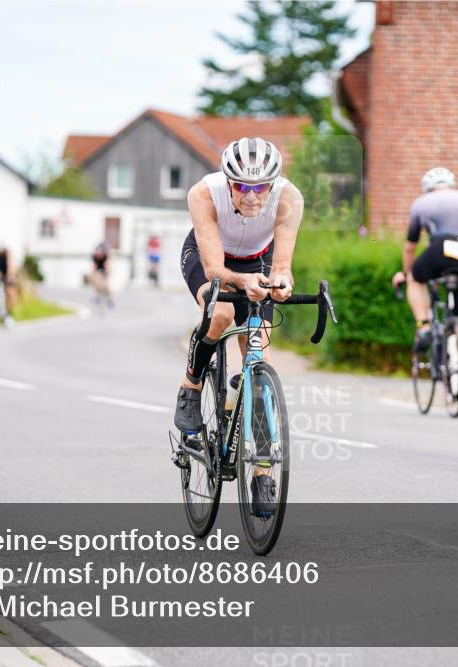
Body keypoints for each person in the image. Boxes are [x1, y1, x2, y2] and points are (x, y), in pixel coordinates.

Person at [173, 136, 303, 515]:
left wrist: (281, 284)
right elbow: (214, 271)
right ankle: (192, 384)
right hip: (207, 254)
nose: (252, 196)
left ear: (273, 184)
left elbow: (281, 266)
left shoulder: (289, 199)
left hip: (256, 261)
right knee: (222, 313)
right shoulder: (204, 194)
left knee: (258, 342)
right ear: (229, 182)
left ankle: (263, 472)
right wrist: (240, 284)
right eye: (243, 187)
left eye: (261, 187)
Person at [392, 167, 458, 401]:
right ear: (450, 184)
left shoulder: (422, 203)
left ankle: (424, 326)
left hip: (442, 246)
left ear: (427, 187)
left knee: (415, 278)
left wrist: (406, 272)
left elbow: (410, 246)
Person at [90, 242, 114, 308]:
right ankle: (97, 296)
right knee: (96, 281)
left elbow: (107, 265)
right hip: (98, 268)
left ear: (102, 253)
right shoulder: (95, 257)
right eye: (98, 254)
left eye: (100, 254)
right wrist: (94, 275)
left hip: (105, 267)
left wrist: (106, 273)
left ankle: (110, 300)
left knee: (106, 285)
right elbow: (94, 267)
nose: (99, 256)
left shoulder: (106, 256)